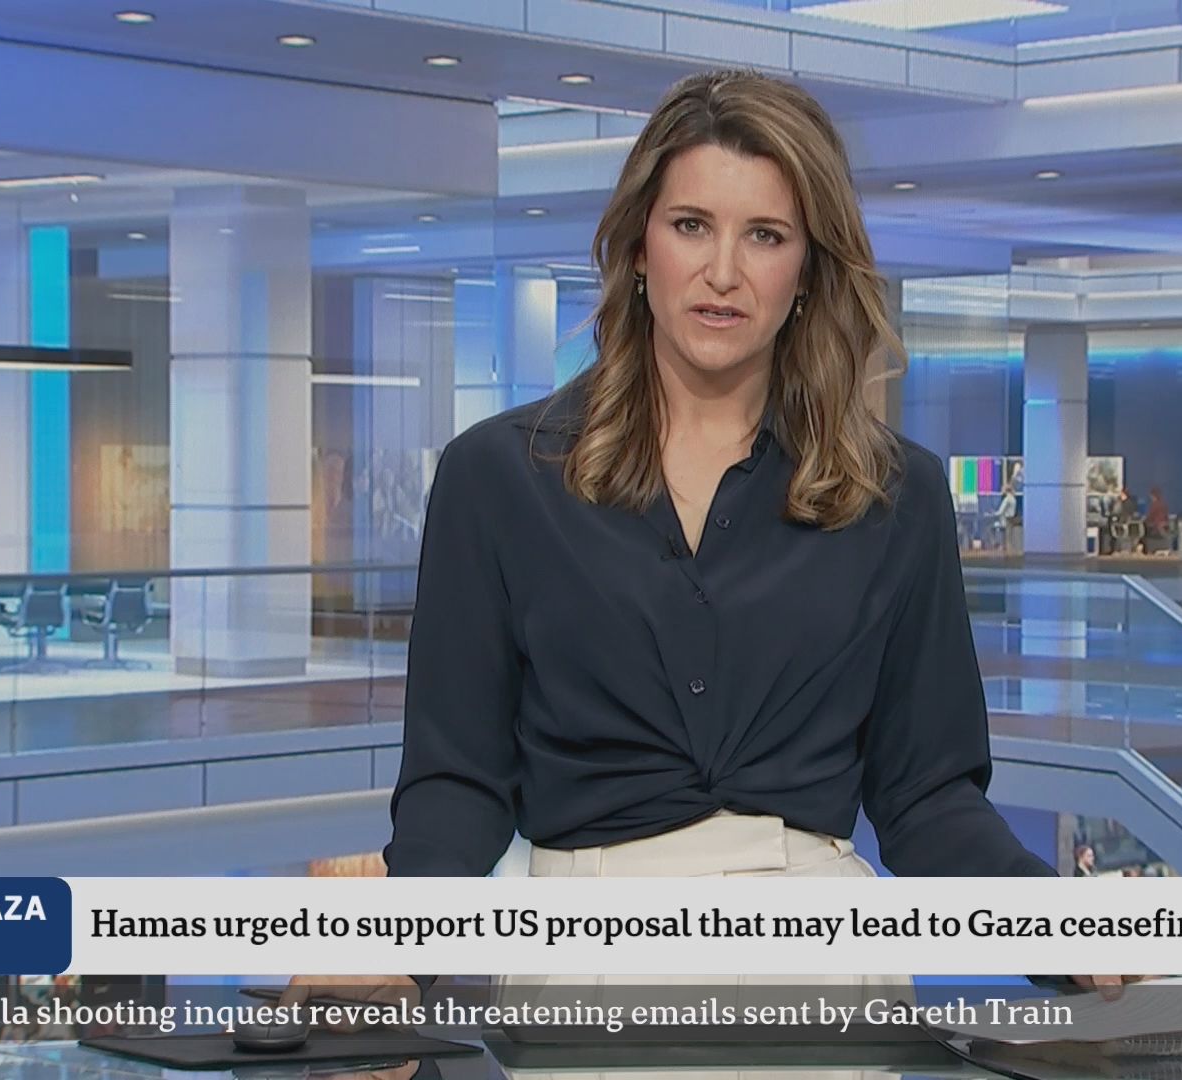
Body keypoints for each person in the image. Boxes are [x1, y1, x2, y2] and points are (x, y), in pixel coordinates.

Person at [287, 69, 1132, 1011]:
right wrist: (391, 950)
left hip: (821, 967)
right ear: (638, 245)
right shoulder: (497, 477)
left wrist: (1058, 926)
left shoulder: (895, 494)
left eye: (765, 235)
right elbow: (459, 785)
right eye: (691, 225)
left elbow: (927, 798)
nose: (723, 271)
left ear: (807, 270)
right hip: (584, 963)